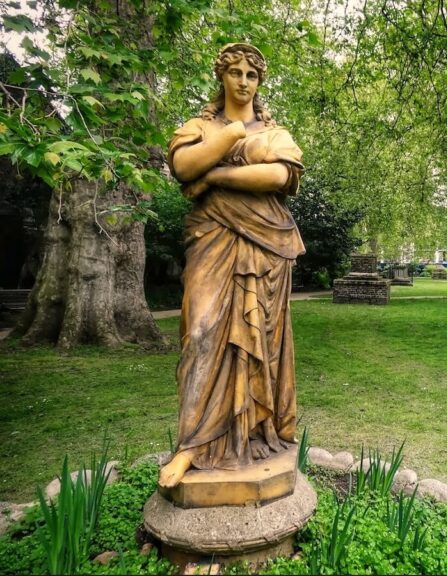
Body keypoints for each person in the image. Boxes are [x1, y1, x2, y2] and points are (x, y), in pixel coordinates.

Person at [159, 43, 305, 488]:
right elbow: (183, 166)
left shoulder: (276, 132)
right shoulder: (200, 126)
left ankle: (253, 434)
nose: (243, 81)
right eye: (235, 72)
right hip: (212, 239)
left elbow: (280, 175)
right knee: (201, 332)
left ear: (259, 82)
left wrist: (216, 175)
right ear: (221, 77)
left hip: (266, 247)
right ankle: (191, 446)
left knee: (260, 343)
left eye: (251, 75)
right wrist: (231, 135)